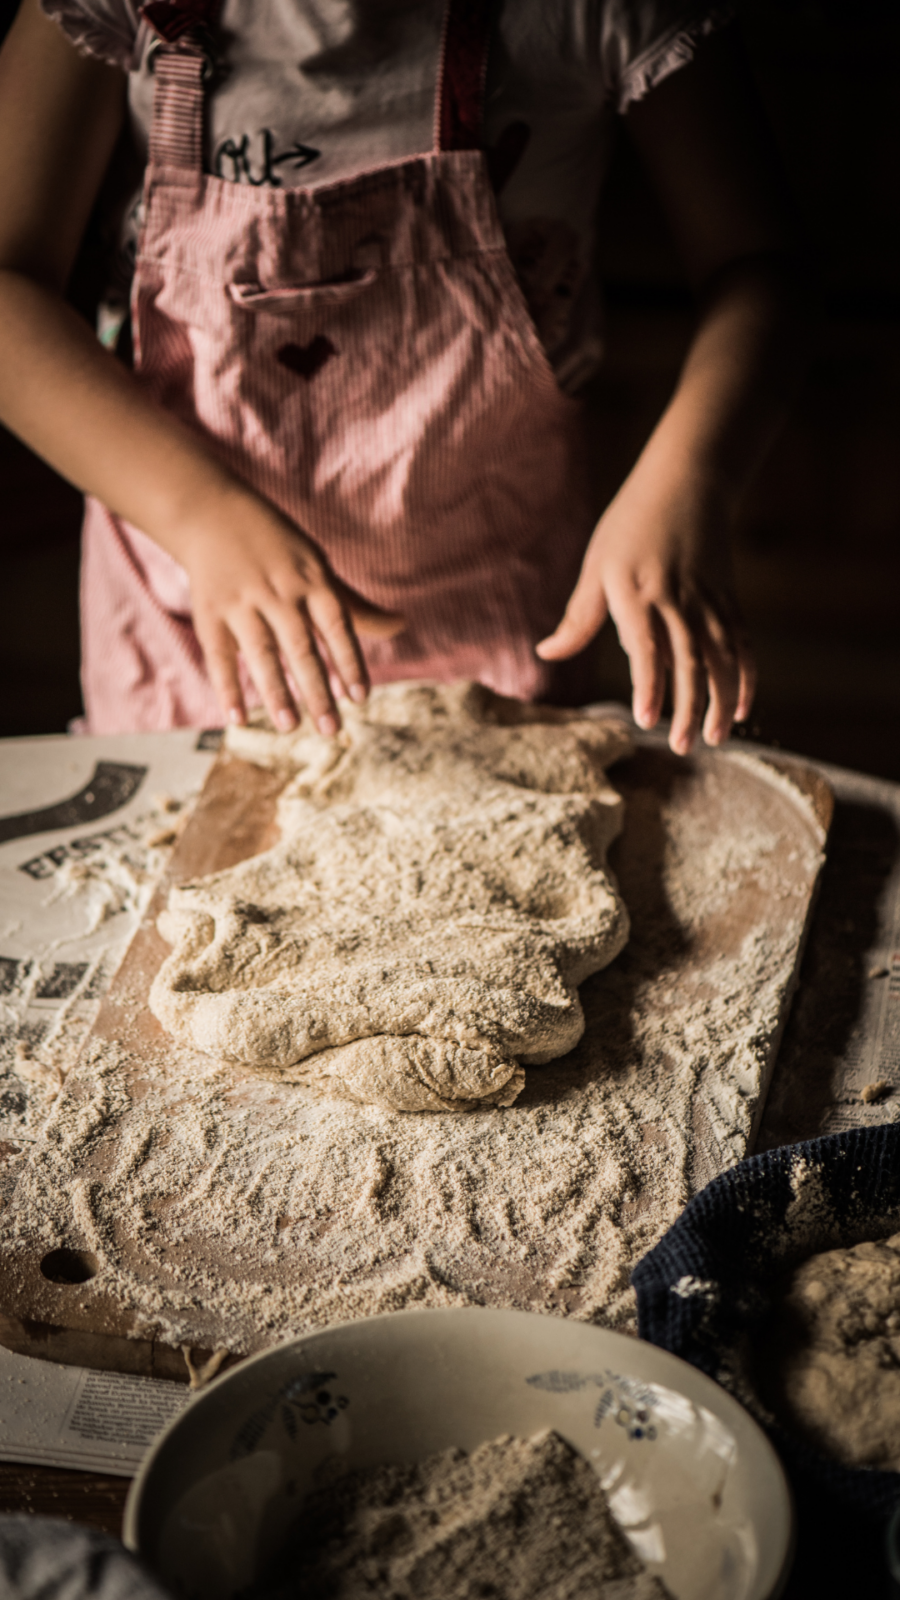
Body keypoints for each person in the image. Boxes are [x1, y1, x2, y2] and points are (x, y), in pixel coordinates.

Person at [0, 0, 802, 753]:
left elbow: (760, 263)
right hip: (192, 605)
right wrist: (199, 514)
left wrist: (689, 479)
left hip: (494, 598)